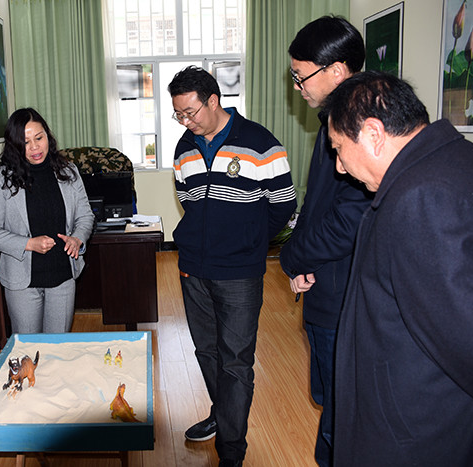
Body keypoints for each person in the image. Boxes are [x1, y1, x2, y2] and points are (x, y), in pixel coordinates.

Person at [325, 71, 473, 465]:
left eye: (338, 148)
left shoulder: (422, 198)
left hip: (413, 428)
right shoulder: (457, 160)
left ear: (373, 134)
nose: (339, 167)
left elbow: (467, 336)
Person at [168, 66, 297, 466]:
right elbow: (187, 200)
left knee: (236, 361)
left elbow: (284, 205)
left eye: (190, 112)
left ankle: (231, 451)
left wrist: (250, 242)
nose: (185, 122)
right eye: (178, 114)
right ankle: (222, 414)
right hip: (194, 268)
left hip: (240, 272)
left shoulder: (260, 143)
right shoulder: (184, 147)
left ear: (213, 101)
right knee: (207, 352)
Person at [278, 16, 372, 466]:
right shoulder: (335, 118)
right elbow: (319, 207)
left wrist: (292, 256)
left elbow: (348, 219)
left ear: (336, 71)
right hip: (325, 283)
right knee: (330, 402)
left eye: (301, 76)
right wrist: (303, 260)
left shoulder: (362, 127)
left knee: (343, 411)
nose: (297, 86)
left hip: (345, 297)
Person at [0, 108, 94, 334]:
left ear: (47, 137)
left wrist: (77, 238)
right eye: (25, 142)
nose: (34, 147)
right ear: (15, 145)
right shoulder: (3, 178)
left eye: (39, 138)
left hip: (62, 276)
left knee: (57, 348)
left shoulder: (68, 171)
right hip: (22, 282)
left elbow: (85, 215)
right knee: (28, 349)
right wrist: (28, 244)